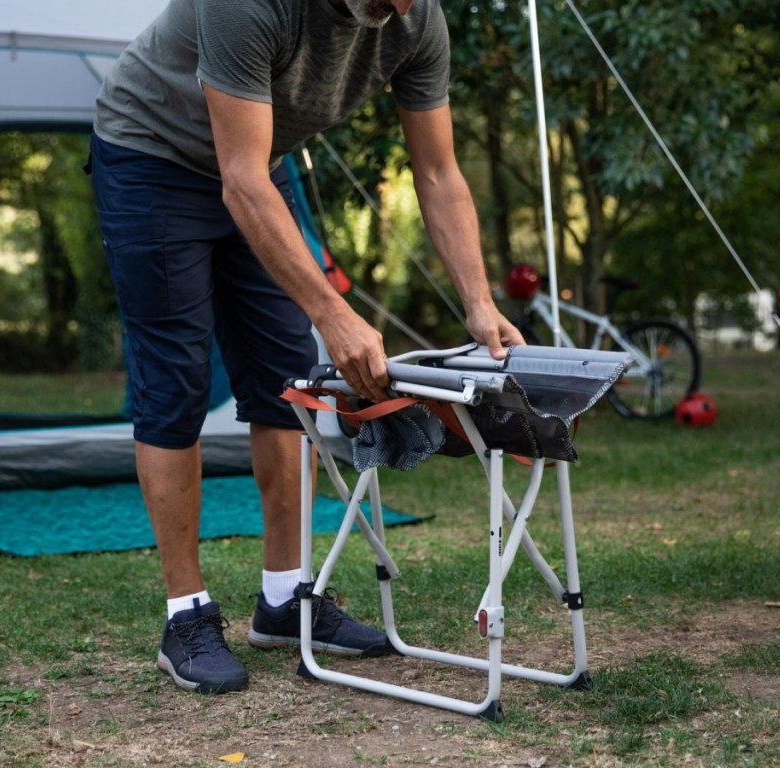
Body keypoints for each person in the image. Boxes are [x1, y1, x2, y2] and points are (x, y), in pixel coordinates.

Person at [89, 0, 525, 694]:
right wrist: (335, 312)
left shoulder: (419, 21)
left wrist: (478, 303)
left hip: (261, 166)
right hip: (154, 157)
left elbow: (439, 173)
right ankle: (187, 616)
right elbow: (240, 180)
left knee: (286, 382)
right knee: (174, 381)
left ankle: (285, 598)